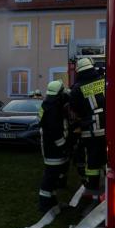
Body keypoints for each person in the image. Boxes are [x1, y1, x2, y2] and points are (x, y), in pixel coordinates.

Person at [69, 57, 106, 191]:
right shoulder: (103, 81)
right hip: (108, 128)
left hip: (91, 130)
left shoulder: (77, 89)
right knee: (109, 157)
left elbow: (75, 109)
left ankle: (93, 185)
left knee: (92, 159)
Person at [37, 80, 70, 212]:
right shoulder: (52, 109)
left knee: (54, 175)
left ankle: (52, 202)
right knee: (50, 175)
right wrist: (63, 146)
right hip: (53, 148)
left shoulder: (49, 104)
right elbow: (55, 131)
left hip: (52, 146)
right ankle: (44, 205)